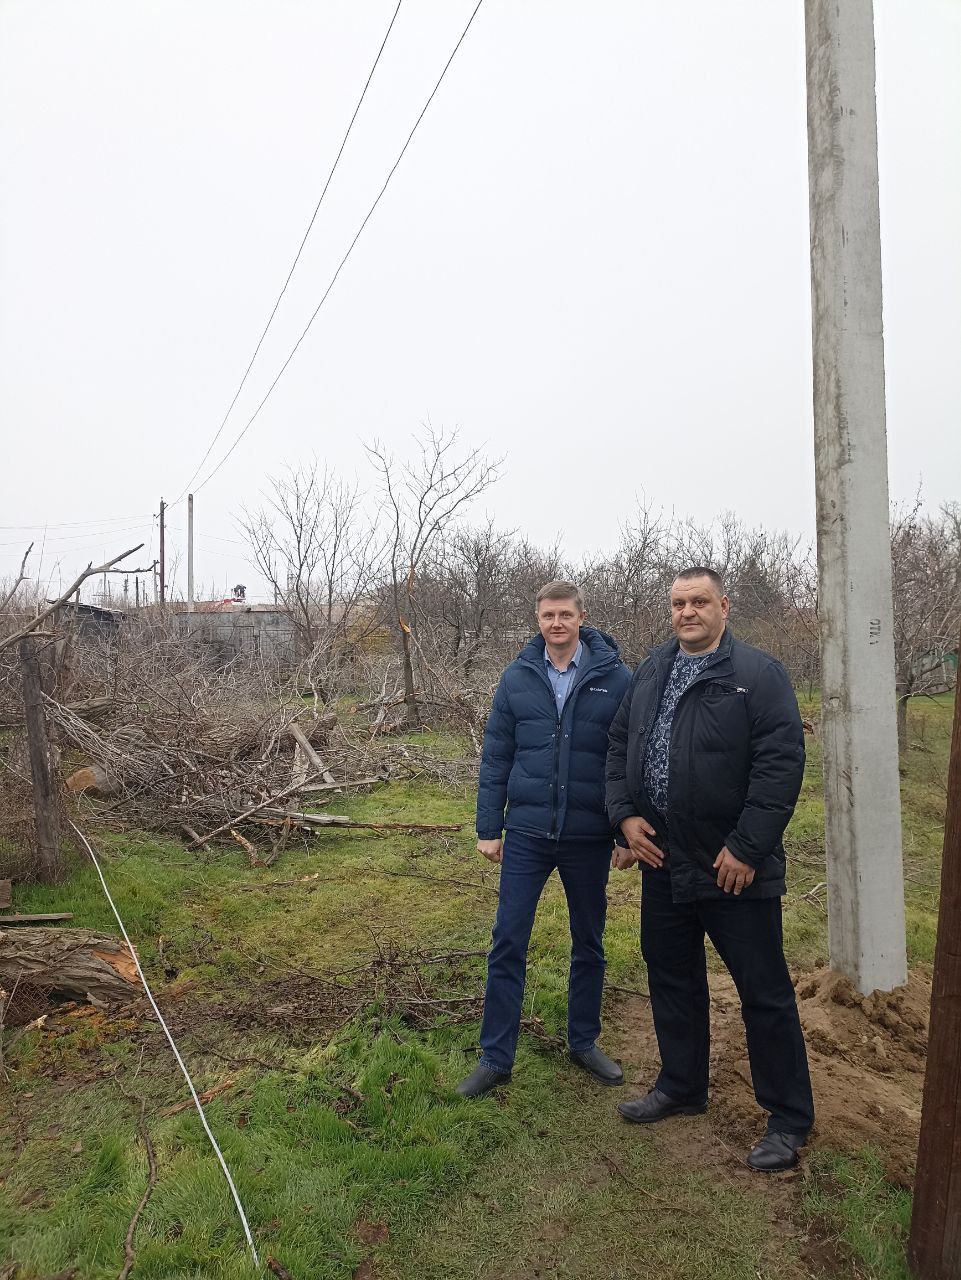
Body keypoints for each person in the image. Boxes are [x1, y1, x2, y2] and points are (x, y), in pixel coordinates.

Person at [605, 567, 814, 1171]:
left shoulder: (757, 676)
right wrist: (623, 818)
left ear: (724, 606)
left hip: (730, 867)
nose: (687, 612)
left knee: (763, 992)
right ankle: (681, 1086)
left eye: (699, 601)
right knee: (671, 979)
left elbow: (780, 766)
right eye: (677, 603)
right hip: (661, 858)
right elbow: (619, 748)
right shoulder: (651, 671)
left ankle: (789, 1118)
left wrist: (747, 848)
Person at [456, 581, 632, 1098]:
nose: (556, 624)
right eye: (548, 615)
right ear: (537, 619)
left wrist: (625, 828)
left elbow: (626, 759)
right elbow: (496, 756)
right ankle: (496, 1055)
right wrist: (489, 827)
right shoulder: (517, 678)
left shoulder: (614, 679)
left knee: (589, 942)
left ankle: (583, 1041)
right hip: (528, 835)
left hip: (588, 836)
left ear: (582, 617)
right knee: (508, 941)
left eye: (565, 615)